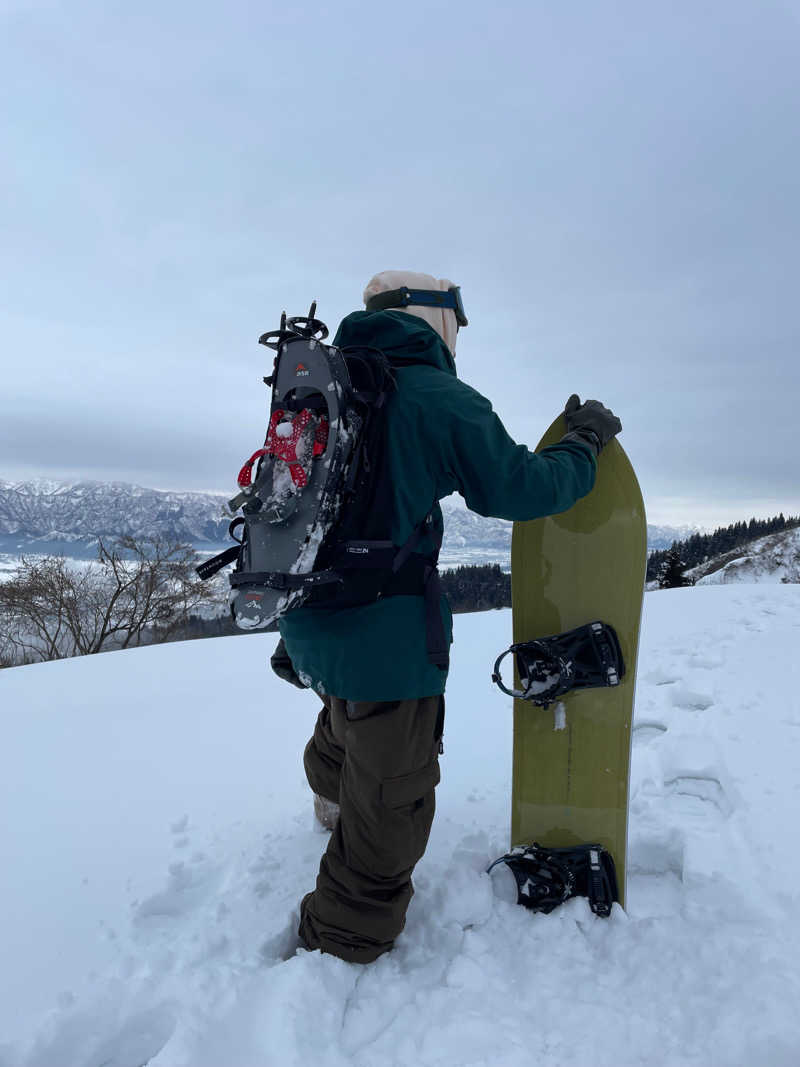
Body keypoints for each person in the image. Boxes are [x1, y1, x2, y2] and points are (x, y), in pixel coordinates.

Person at [271, 269, 622, 963]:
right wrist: (581, 444)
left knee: (347, 716)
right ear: (435, 319)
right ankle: (335, 944)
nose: (459, 334)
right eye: (456, 319)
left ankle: (331, 795)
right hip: (385, 638)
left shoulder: (324, 386)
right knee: (392, 797)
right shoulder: (435, 396)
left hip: (310, 618)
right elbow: (519, 485)